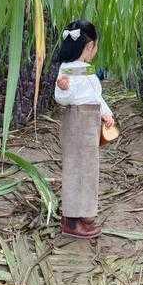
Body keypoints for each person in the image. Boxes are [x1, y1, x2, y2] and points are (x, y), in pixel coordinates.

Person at [54, 20, 114, 239]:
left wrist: (106, 112)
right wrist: (64, 89)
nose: (95, 50)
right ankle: (70, 220)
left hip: (89, 123)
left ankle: (84, 212)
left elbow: (95, 96)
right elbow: (62, 99)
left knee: (88, 170)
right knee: (75, 169)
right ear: (89, 47)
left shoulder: (87, 70)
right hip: (76, 122)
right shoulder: (66, 69)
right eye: (95, 46)